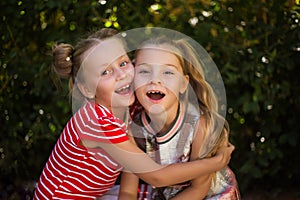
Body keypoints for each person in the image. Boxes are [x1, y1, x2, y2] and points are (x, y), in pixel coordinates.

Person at [33, 28, 234, 200]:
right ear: (86, 90)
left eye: (123, 63)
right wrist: (215, 162)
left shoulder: (129, 106)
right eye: (105, 72)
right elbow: (157, 176)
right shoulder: (96, 122)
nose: (122, 75)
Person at [118, 36, 241, 199]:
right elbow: (128, 191)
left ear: (184, 84)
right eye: (144, 71)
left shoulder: (199, 125)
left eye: (168, 72)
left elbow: (199, 189)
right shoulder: (134, 131)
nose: (155, 79)